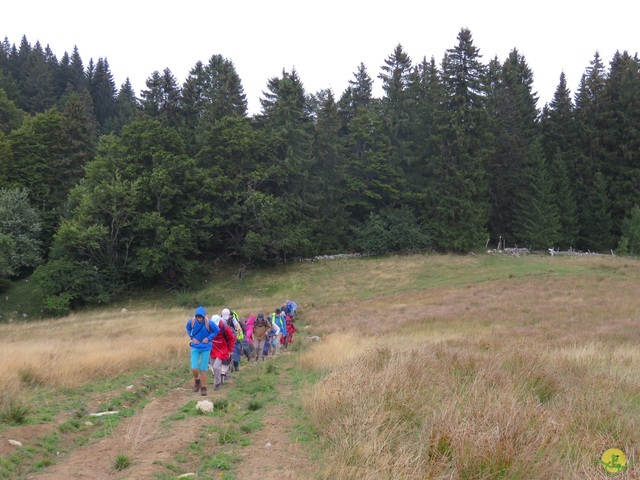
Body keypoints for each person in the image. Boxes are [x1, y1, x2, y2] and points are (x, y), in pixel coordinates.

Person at [185, 306, 219, 396]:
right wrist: (192, 338)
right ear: (195, 316)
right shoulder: (191, 321)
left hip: (206, 347)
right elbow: (188, 328)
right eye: (197, 316)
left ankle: (204, 387)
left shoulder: (209, 323)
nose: (199, 318)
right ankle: (197, 380)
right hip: (195, 347)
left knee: (203, 369)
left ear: (204, 316)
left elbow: (216, 330)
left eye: (201, 316)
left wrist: (208, 338)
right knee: (194, 367)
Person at [209, 314, 235, 390]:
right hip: (213, 349)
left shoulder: (224, 328)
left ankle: (217, 384)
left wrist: (230, 350)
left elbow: (231, 339)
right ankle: (221, 377)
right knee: (215, 368)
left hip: (222, 349)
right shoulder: (208, 326)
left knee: (216, 366)